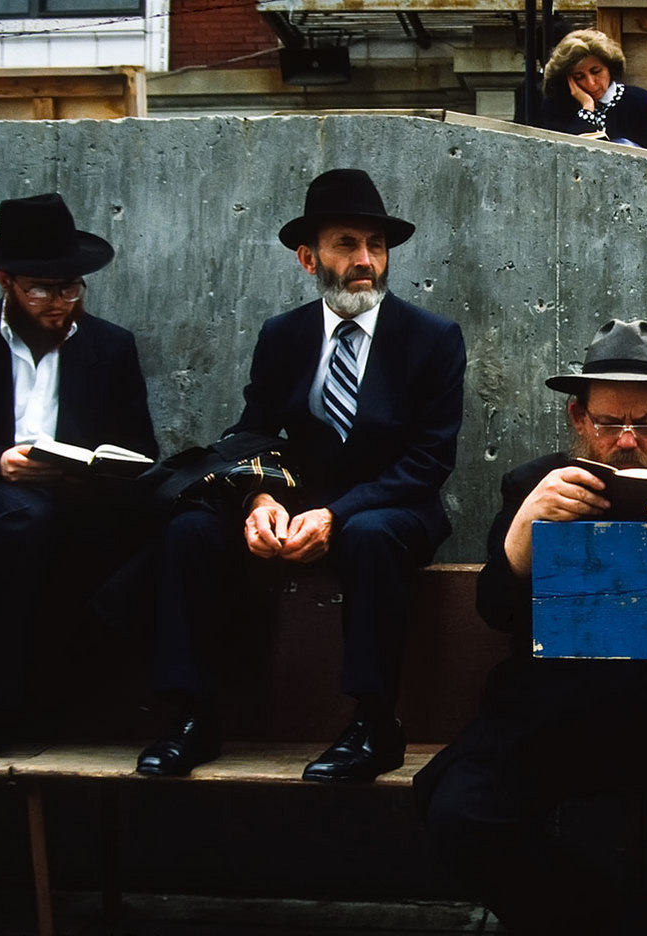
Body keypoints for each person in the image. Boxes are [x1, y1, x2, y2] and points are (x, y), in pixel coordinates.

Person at [416, 319, 647, 936]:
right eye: (608, 423)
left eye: (644, 424)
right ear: (578, 419)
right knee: (462, 813)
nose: (625, 442)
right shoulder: (531, 483)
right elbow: (496, 611)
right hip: (559, 706)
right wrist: (523, 533)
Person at [136, 169, 466, 783]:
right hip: (299, 501)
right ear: (308, 258)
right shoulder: (283, 334)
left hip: (397, 504)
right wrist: (258, 497)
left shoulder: (431, 337)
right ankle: (192, 715)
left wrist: (336, 514)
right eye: (347, 244)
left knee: (368, 536)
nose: (365, 260)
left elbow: (428, 460)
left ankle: (374, 723)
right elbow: (252, 432)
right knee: (191, 529)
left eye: (376, 245)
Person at [0, 193, 157, 765]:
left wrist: (94, 467)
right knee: (19, 519)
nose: (59, 303)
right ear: (3, 280)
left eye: (70, 288)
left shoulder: (110, 346)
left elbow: (139, 447)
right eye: (41, 289)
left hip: (78, 500)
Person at [539, 28, 647, 150]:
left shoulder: (639, 101)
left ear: (610, 68)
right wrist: (587, 108)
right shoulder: (556, 106)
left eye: (596, 71)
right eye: (579, 77)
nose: (591, 83)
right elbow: (559, 154)